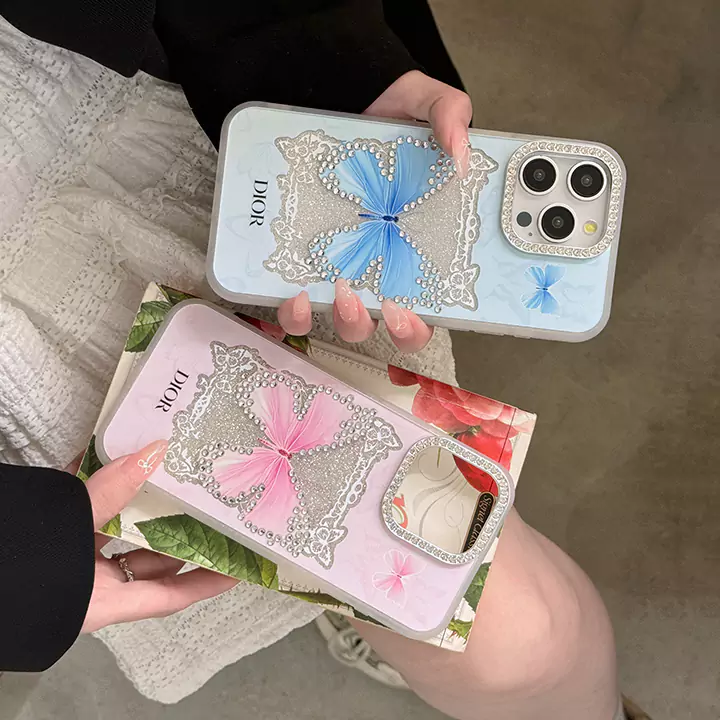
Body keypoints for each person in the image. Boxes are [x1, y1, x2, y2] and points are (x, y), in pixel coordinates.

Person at [0, 2, 648, 717]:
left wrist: (322, 58)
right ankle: (342, 591)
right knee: (512, 637)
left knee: (528, 644)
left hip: (130, 82)